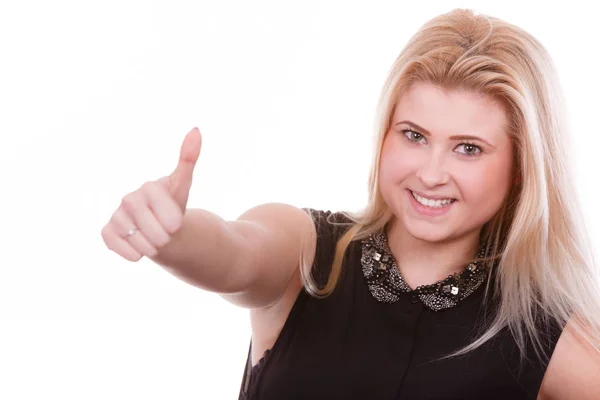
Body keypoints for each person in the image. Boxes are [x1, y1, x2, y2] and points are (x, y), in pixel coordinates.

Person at [100, 8, 600, 400]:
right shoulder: (308, 252)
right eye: (414, 135)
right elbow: (236, 253)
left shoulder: (543, 334)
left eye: (468, 148)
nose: (430, 173)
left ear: (520, 169)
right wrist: (174, 236)